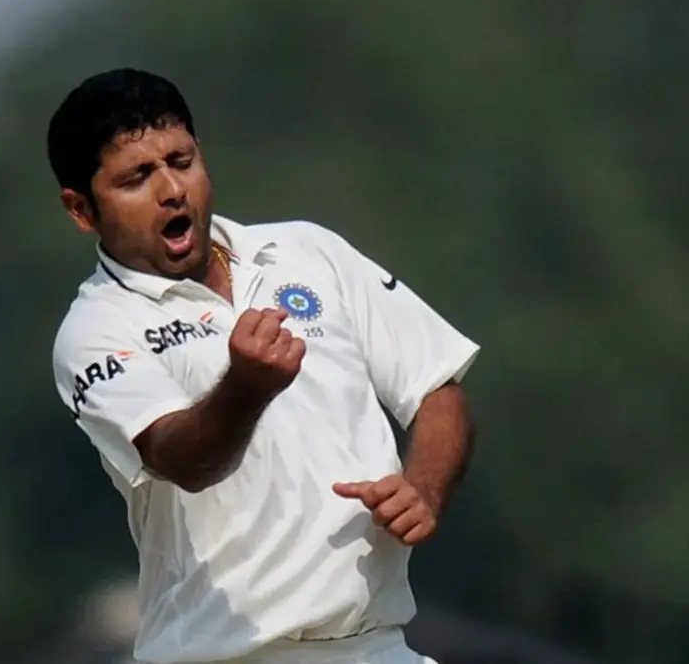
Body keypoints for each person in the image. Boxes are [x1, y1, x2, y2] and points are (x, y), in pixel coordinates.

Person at [48, 68, 480, 664]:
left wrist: (424, 489)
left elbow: (438, 387)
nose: (172, 190)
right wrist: (246, 387)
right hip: (225, 655)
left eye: (182, 160)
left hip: (377, 645)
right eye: (137, 178)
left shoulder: (307, 251)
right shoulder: (95, 330)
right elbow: (182, 458)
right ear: (81, 209)